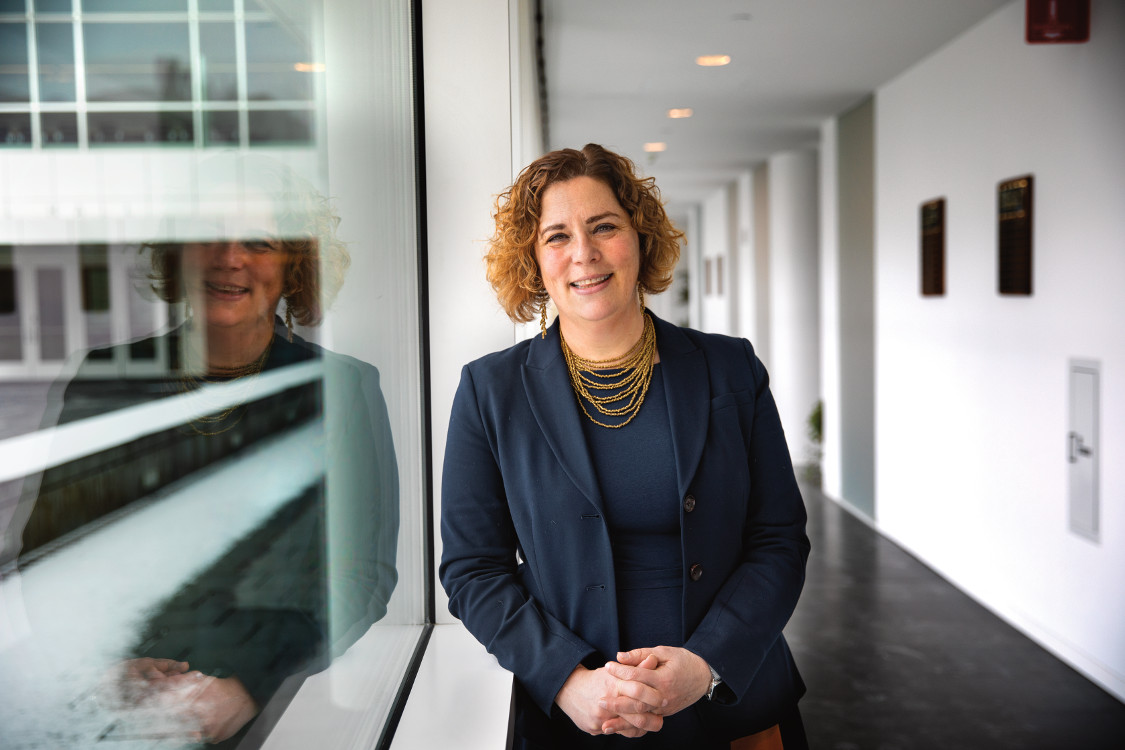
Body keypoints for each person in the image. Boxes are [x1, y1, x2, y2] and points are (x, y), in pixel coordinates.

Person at [10, 155, 399, 747]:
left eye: (259, 241)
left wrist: (246, 683)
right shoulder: (102, 380)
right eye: (207, 234)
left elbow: (362, 574)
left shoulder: (343, 390)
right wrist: (104, 667)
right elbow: (47, 552)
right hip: (110, 714)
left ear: (294, 266)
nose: (229, 256)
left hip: (273, 712)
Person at [440, 144, 810, 749]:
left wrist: (706, 665)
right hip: (576, 717)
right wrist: (566, 680)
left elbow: (778, 539)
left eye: (604, 227)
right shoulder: (490, 391)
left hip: (731, 705)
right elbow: (472, 570)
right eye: (556, 236)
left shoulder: (730, 369)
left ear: (639, 238)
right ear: (534, 261)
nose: (583, 253)